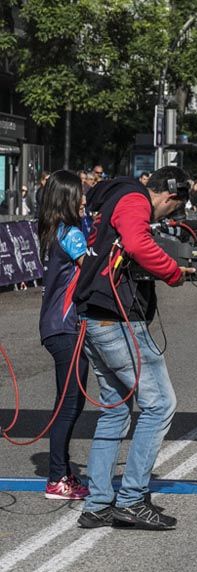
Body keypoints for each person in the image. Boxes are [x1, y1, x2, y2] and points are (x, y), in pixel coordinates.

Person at [73, 166, 197, 529]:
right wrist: (172, 272)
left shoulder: (117, 196)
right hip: (117, 320)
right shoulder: (134, 200)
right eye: (175, 208)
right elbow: (139, 244)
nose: (172, 215)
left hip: (95, 316)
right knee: (160, 405)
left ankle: (98, 504)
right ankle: (132, 498)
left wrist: (192, 251)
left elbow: (143, 240)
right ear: (169, 196)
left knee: (116, 411)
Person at [36, 170, 90, 500]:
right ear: (67, 199)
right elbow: (96, 273)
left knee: (68, 402)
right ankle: (57, 478)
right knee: (69, 404)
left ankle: (62, 470)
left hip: (56, 327)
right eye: (79, 194)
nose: (84, 200)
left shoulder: (56, 231)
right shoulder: (71, 235)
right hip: (65, 328)